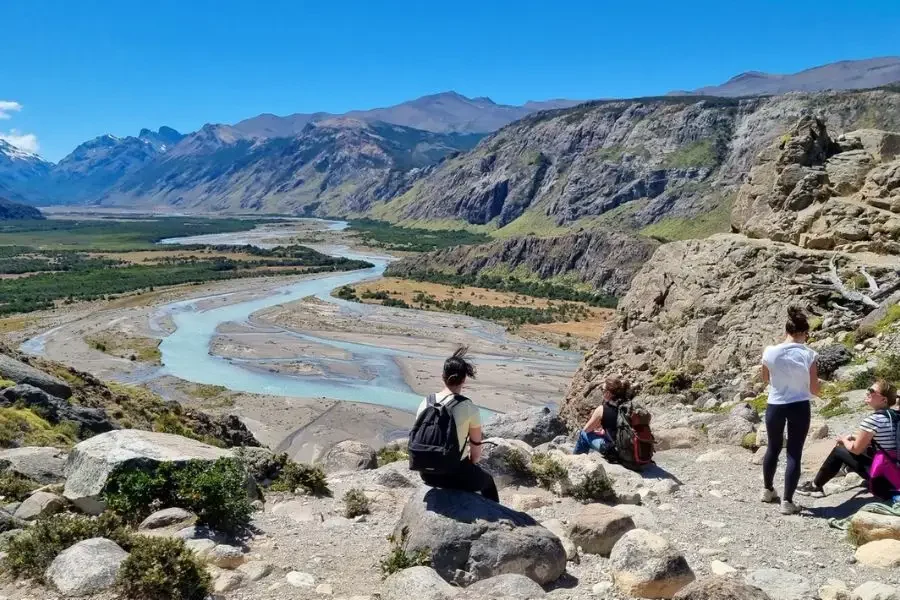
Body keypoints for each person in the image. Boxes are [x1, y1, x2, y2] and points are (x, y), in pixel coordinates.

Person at [416, 347, 499, 502]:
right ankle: (497, 517)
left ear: (443, 376)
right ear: (464, 380)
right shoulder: (469, 407)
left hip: (425, 472)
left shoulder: (425, 402)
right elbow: (475, 456)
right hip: (454, 474)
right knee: (488, 482)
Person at [760, 306, 820, 515]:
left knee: (773, 447)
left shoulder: (770, 351)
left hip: (775, 404)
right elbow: (814, 388)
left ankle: (768, 490)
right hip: (800, 405)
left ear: (786, 331)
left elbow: (765, 378)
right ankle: (787, 501)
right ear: (803, 333)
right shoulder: (809, 354)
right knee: (794, 452)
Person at [797, 379, 899, 500]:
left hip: (886, 479)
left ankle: (815, 486)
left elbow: (855, 450)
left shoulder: (873, 420)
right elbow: (886, 439)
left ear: (884, 400)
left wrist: (844, 440)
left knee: (839, 451)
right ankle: (845, 469)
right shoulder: (894, 415)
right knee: (860, 448)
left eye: (872, 391)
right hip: (895, 467)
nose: (867, 392)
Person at [573, 375, 631, 456]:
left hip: (616, 452)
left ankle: (576, 460)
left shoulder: (602, 409)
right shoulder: (630, 405)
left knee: (583, 434)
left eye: (602, 390)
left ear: (608, 393)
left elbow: (586, 430)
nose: (602, 392)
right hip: (634, 450)